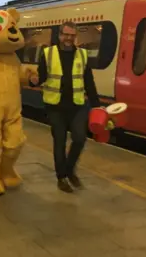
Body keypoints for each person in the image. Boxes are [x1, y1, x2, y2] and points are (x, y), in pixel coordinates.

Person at [29, 21, 101, 193]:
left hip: (77, 104)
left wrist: (97, 106)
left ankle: (69, 169)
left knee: (79, 138)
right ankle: (62, 177)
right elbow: (43, 77)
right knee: (59, 141)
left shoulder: (82, 55)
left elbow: (89, 82)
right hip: (55, 105)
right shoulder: (48, 53)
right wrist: (34, 82)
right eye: (66, 34)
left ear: (75, 36)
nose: (69, 38)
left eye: (72, 35)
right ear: (60, 35)